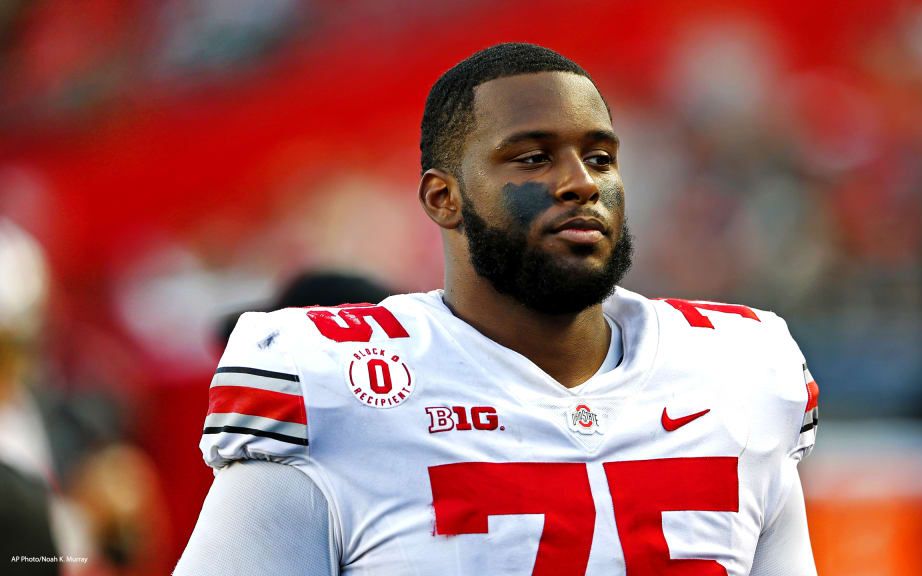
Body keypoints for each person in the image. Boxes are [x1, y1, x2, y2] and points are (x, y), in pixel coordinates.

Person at [176, 42, 819, 575]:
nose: (580, 182)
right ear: (443, 197)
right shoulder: (335, 388)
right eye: (533, 158)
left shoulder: (740, 372)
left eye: (600, 157)